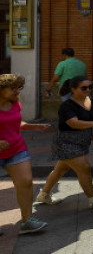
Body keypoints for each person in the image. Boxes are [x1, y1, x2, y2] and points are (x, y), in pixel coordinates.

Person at [36, 76, 93, 208]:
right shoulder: (66, 106)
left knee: (61, 169)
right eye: (84, 88)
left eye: (90, 87)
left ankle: (44, 194)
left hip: (82, 142)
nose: (88, 90)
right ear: (73, 89)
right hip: (66, 142)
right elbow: (74, 123)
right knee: (84, 167)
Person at [0, 74, 49, 235]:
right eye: (12, 88)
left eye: (18, 87)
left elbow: (15, 123)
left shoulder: (15, 104)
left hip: (16, 149)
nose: (17, 91)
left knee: (26, 182)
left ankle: (27, 221)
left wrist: (34, 127)